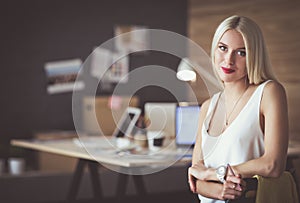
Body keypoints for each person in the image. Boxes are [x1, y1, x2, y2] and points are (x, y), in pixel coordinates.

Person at [188, 15, 289, 203]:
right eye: (223, 48)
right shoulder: (207, 107)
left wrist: (216, 173)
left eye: (241, 52)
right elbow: (196, 179)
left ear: (254, 55)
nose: (228, 60)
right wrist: (221, 191)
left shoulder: (268, 93)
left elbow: (273, 165)